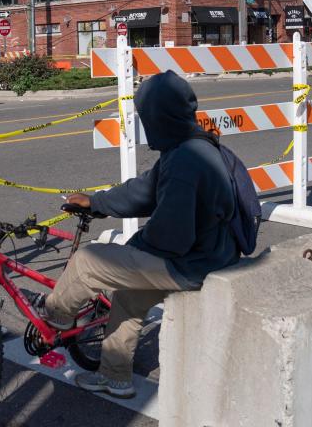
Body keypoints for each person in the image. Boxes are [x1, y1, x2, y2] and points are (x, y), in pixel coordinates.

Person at [38, 70, 239, 399]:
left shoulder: (188, 162)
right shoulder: (188, 147)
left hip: (192, 264)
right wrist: (96, 202)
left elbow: (171, 237)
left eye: (147, 117)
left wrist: (131, 250)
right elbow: (143, 191)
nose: (146, 126)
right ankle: (115, 377)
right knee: (129, 296)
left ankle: (55, 315)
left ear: (160, 117)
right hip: (204, 254)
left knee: (88, 261)